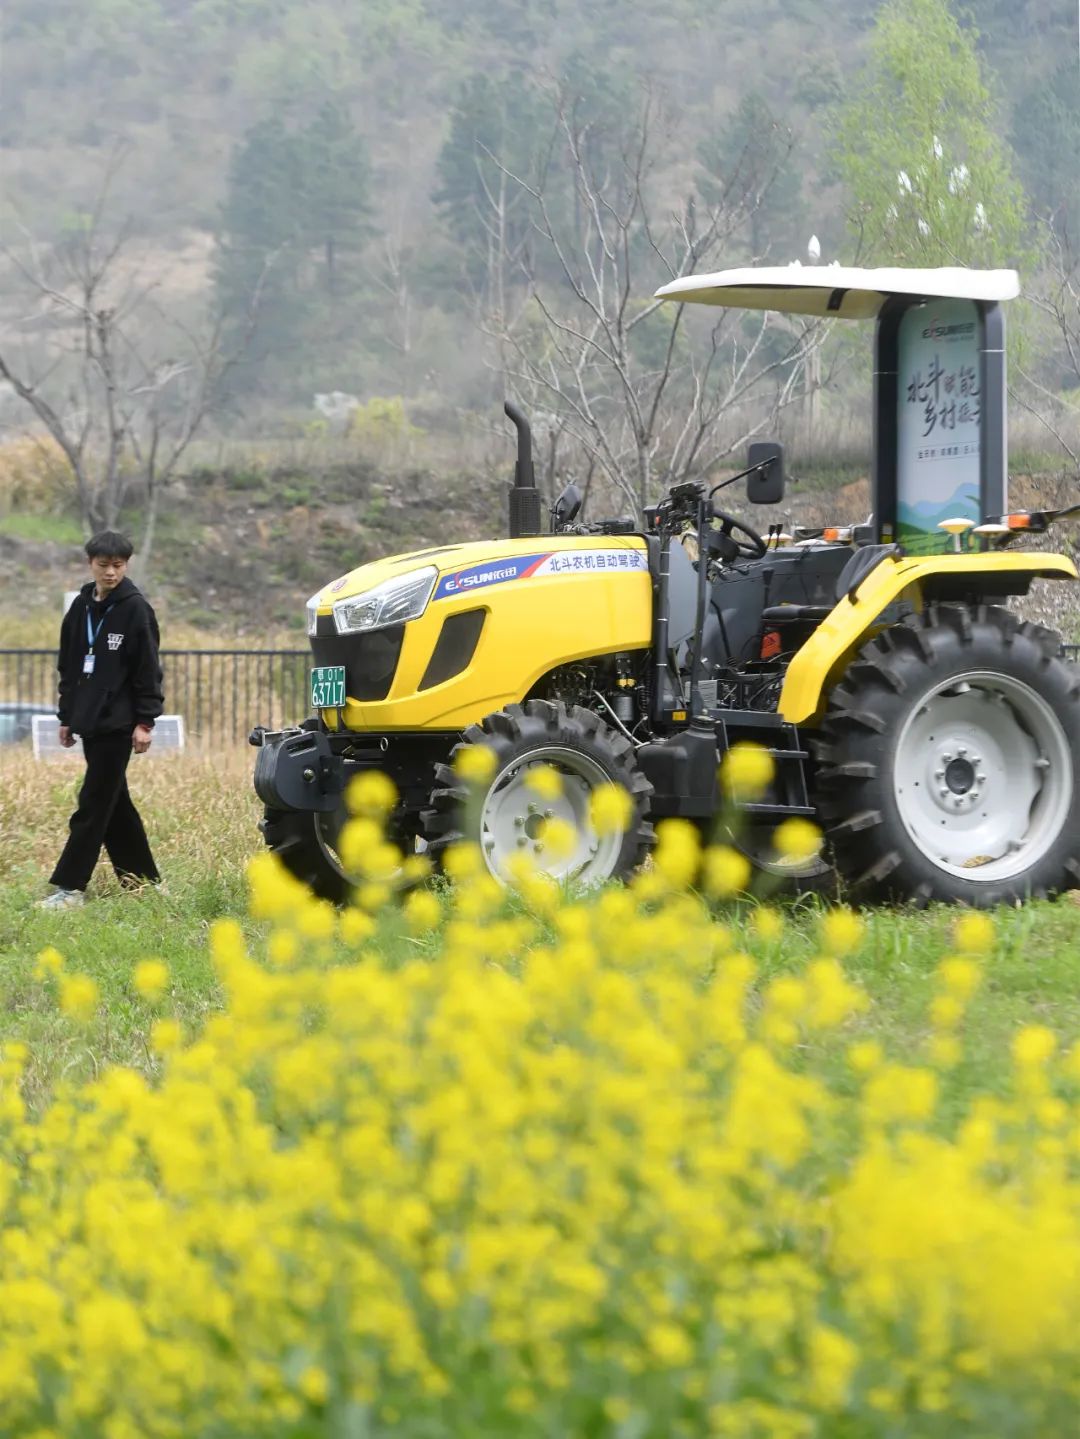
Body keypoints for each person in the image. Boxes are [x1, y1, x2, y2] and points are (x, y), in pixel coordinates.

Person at [38, 531, 164, 910]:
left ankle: (71, 888)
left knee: (93, 803)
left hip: (119, 724)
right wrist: (67, 716)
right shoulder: (80, 607)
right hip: (89, 722)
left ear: (127, 565)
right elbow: (70, 665)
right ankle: (144, 884)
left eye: (119, 565)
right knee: (115, 803)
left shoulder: (136, 609)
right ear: (90, 563)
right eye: (104, 565)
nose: (111, 573)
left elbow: (148, 669)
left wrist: (146, 721)